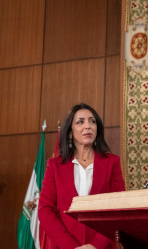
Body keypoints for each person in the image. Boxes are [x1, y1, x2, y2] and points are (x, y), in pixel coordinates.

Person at [39, 103, 125, 248]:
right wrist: (70, 246)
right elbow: (45, 210)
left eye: (92, 121)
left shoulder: (112, 162)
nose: (88, 126)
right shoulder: (55, 165)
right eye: (80, 122)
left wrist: (96, 245)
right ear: (70, 132)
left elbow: (119, 209)